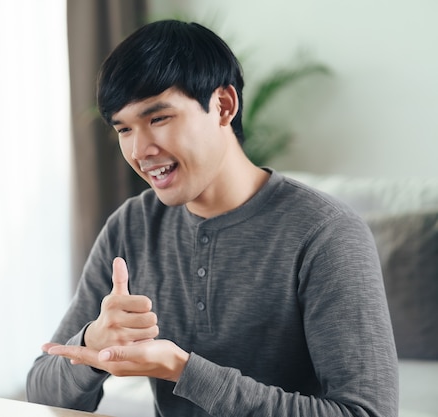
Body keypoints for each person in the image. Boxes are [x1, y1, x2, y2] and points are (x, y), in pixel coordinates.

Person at [26, 19, 398, 417]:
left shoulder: (326, 233)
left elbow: (366, 412)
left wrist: (183, 370)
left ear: (223, 105)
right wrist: (92, 344)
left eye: (158, 119)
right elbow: (42, 390)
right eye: (124, 129)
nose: (139, 150)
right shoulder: (131, 226)